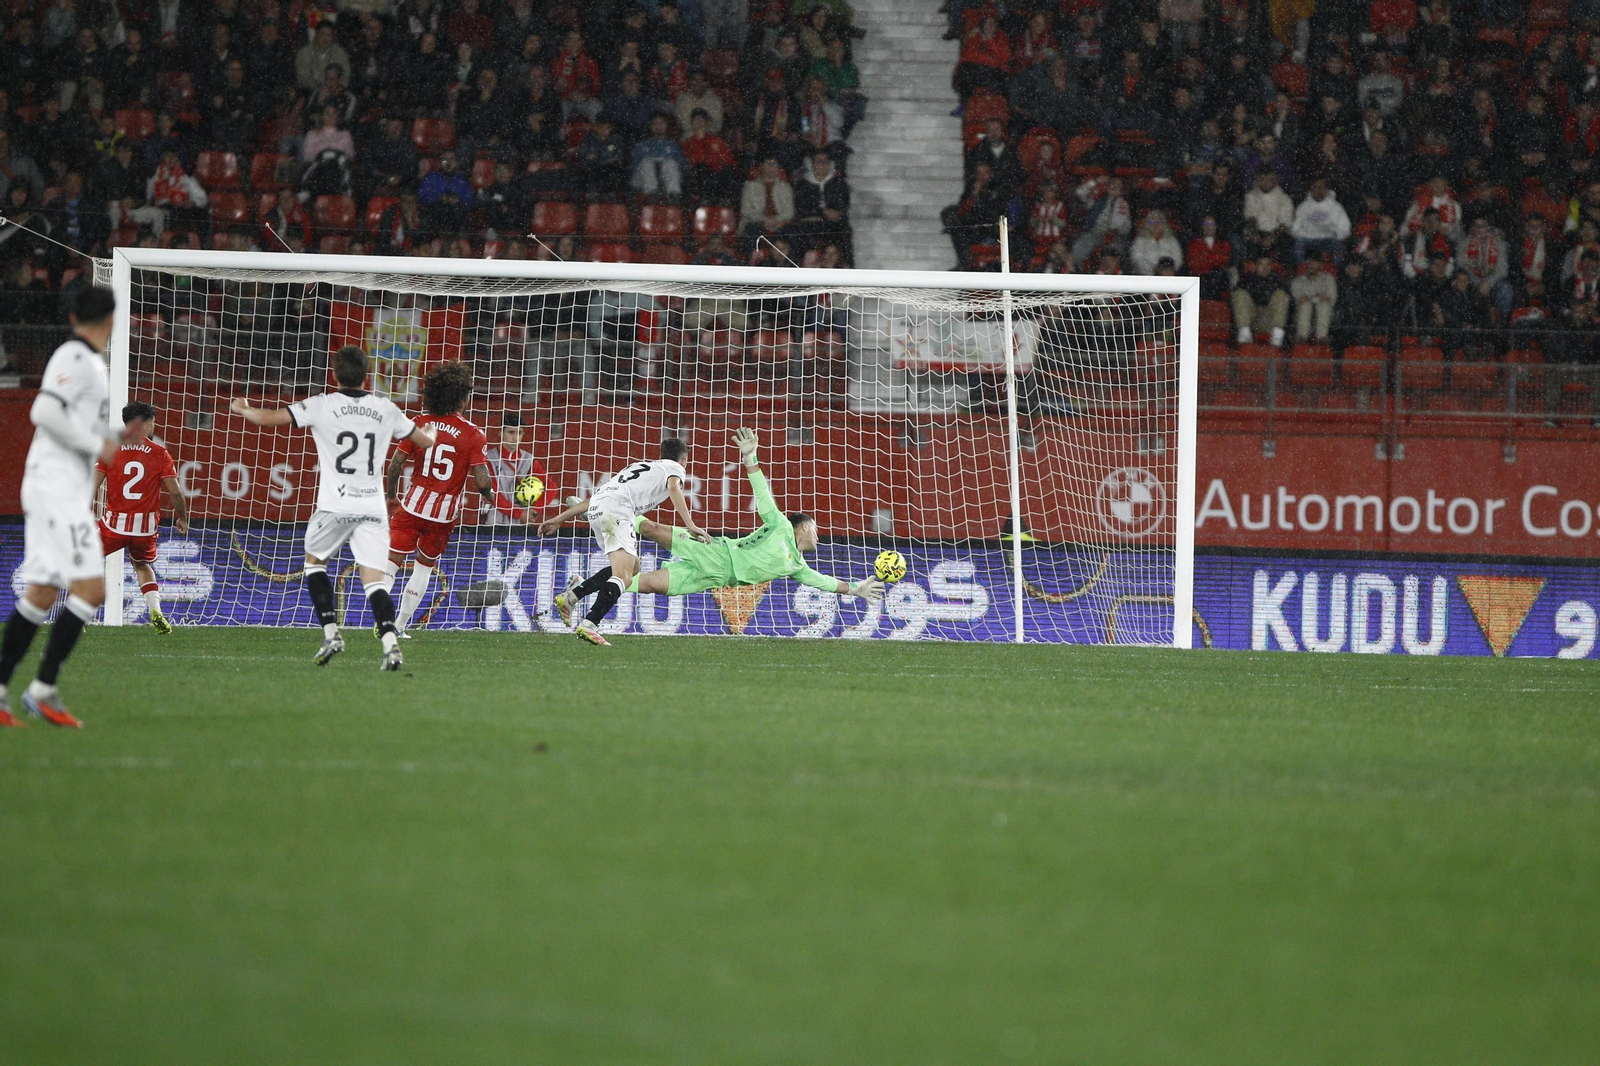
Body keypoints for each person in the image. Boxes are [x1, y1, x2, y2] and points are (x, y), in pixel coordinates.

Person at [554, 429, 882, 634]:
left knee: (645, 583)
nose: (818, 537)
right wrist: (750, 456)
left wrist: (856, 589)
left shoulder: (795, 565)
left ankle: (573, 594)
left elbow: (825, 582)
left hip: (713, 578)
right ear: (803, 526)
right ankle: (597, 508)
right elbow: (763, 493)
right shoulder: (781, 525)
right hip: (715, 551)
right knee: (653, 529)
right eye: (815, 530)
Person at [229, 345, 436, 671]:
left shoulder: (321, 405)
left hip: (335, 504)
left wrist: (243, 408)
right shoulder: (385, 408)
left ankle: (331, 633)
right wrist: (431, 432)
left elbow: (267, 419)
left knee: (314, 565)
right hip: (372, 505)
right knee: (375, 582)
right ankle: (390, 644)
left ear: (335, 374)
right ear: (368, 374)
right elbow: (423, 442)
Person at [0, 288, 129, 727]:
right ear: (111, 320)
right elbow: (44, 412)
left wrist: (108, 440)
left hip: (55, 487)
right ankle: (43, 689)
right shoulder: (75, 357)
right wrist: (97, 444)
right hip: (53, 489)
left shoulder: (86, 362)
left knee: (41, 591)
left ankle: (4, 690)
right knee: (91, 589)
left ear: (73, 315)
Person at [540, 438, 710, 646]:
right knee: (624, 576)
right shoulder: (675, 468)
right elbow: (674, 487)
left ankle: (573, 595)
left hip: (597, 510)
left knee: (633, 568)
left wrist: (559, 519)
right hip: (618, 511)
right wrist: (690, 524)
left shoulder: (638, 467)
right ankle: (589, 624)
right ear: (683, 460)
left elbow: (594, 499)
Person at [383, 362, 494, 636]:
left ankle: (380, 619)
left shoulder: (419, 424)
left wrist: (391, 496)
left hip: (412, 506)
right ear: (462, 397)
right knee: (423, 569)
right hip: (442, 516)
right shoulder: (473, 434)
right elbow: (482, 481)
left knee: (391, 561)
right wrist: (490, 495)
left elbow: (396, 464)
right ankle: (399, 626)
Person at [91, 402, 189, 635]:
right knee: (142, 564)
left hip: (114, 524)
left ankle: (79, 612)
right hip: (144, 528)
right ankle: (155, 609)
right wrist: (182, 517)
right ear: (143, 424)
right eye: (152, 423)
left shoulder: (109, 449)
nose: (154, 427)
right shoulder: (159, 453)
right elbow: (175, 491)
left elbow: (91, 487)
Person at [483, 413, 544, 525]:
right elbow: (493, 495)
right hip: (492, 521)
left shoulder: (528, 459)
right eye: (511, 432)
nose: (515, 438)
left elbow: (550, 487)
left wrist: (534, 511)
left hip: (519, 524)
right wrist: (520, 514)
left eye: (519, 433)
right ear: (501, 433)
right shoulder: (488, 458)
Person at [1233, 255, 1290, 346]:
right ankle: (1244, 333)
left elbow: (1289, 305)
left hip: (1270, 320)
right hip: (1250, 319)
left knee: (1281, 295)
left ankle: (1277, 335)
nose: (1265, 267)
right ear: (1255, 266)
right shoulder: (1246, 279)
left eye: (1268, 264)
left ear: (1271, 266)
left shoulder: (1278, 280)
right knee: (1240, 294)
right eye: (1261, 264)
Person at [1291, 254, 1338, 342]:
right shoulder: (1298, 281)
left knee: (1323, 304)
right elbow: (1299, 299)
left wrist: (1310, 297)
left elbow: (1332, 299)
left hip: (1325, 316)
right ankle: (1301, 337)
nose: (1310, 264)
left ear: (1320, 265)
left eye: (1314, 262)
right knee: (1306, 305)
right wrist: (1319, 296)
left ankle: (1322, 338)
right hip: (1300, 316)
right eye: (1309, 262)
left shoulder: (1328, 279)